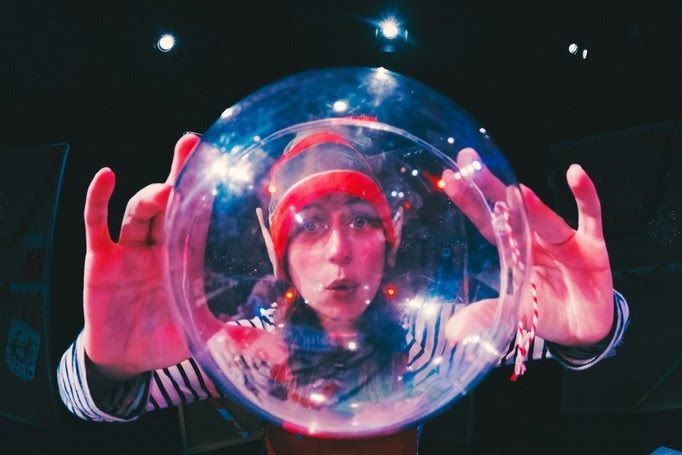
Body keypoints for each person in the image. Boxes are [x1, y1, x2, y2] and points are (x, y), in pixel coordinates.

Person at [57, 131, 629, 454]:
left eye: (360, 221)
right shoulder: (244, 350)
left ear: (391, 236)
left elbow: (562, 333)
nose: (339, 251)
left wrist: (592, 327)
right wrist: (106, 365)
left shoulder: (430, 334)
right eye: (309, 226)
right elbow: (79, 398)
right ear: (275, 248)